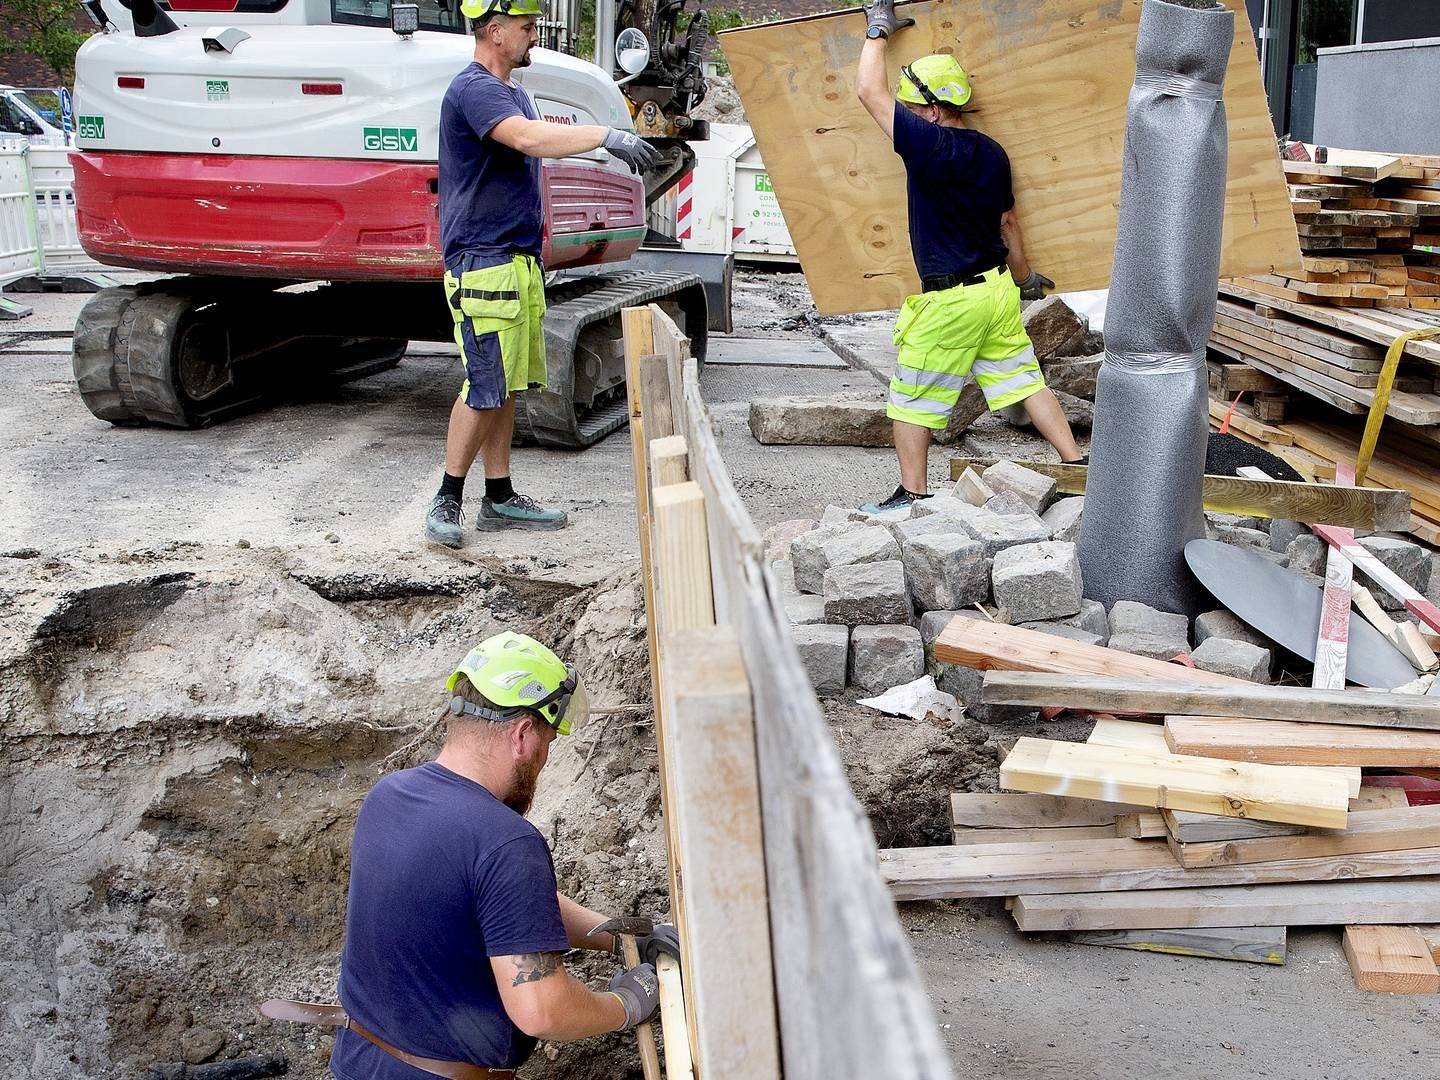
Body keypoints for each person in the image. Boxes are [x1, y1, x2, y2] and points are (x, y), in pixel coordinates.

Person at [315, 631, 677, 1078]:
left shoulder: (388, 797)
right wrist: (624, 1004)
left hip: (358, 1063)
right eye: (548, 743)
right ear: (523, 734)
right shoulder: (505, 841)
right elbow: (542, 1009)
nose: (544, 759)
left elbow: (498, 907)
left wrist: (620, 937)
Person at [425, 0, 662, 547]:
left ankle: (500, 496)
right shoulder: (475, 89)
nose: (534, 36)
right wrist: (606, 136)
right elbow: (529, 139)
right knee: (485, 384)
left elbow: (532, 139)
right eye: (527, 27)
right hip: (483, 262)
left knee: (506, 384)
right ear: (494, 30)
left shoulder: (513, 91)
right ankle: (447, 498)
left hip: (515, 258)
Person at [855, 1, 1085, 514]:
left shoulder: (929, 146)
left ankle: (912, 495)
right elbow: (1008, 223)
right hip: (999, 289)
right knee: (1024, 379)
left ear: (933, 110)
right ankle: (1075, 465)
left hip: (952, 301)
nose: (910, 117)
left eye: (914, 108)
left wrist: (877, 32)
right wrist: (1026, 278)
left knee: (910, 398)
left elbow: (868, 92)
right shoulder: (993, 151)